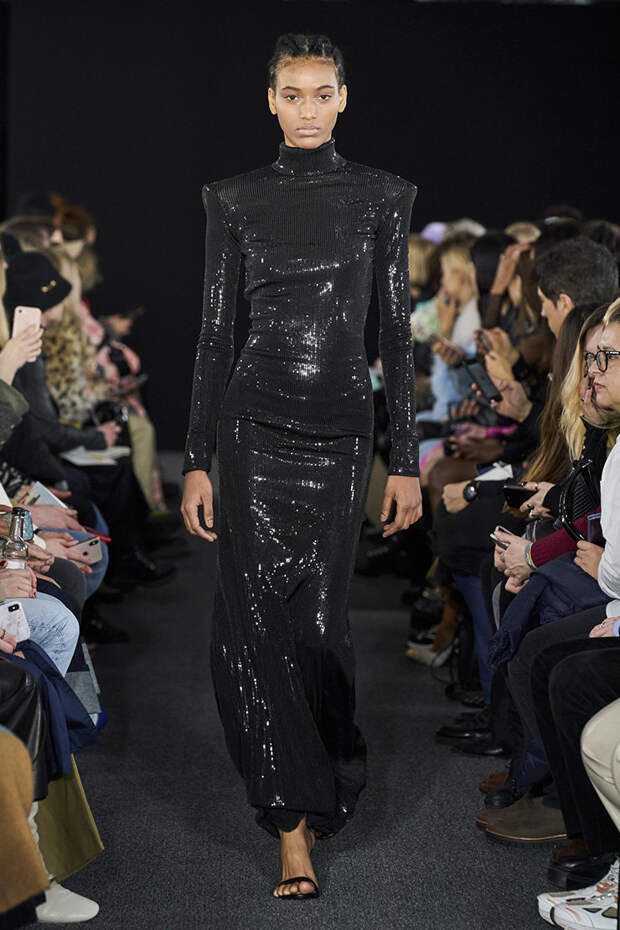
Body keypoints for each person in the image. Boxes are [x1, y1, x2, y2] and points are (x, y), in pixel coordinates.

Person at [180, 33, 422, 900]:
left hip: (341, 432)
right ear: (271, 100)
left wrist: (406, 459)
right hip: (252, 425)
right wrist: (197, 459)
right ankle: (290, 824)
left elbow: (397, 335)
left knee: (320, 627)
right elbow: (215, 336)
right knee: (257, 622)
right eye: (293, 93)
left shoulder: (384, 196)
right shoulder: (234, 198)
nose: (308, 108)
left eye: (323, 93)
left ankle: (325, 766)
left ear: (344, 98)